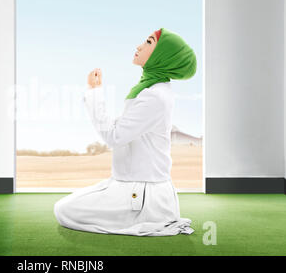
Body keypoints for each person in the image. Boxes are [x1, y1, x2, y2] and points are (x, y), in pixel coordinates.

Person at [53, 28, 197, 236]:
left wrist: (94, 92)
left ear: (162, 55)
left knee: (64, 210)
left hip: (142, 195)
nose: (139, 46)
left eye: (148, 42)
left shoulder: (155, 97)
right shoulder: (151, 91)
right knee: (68, 205)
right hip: (132, 187)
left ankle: (149, 220)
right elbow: (118, 130)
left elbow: (114, 136)